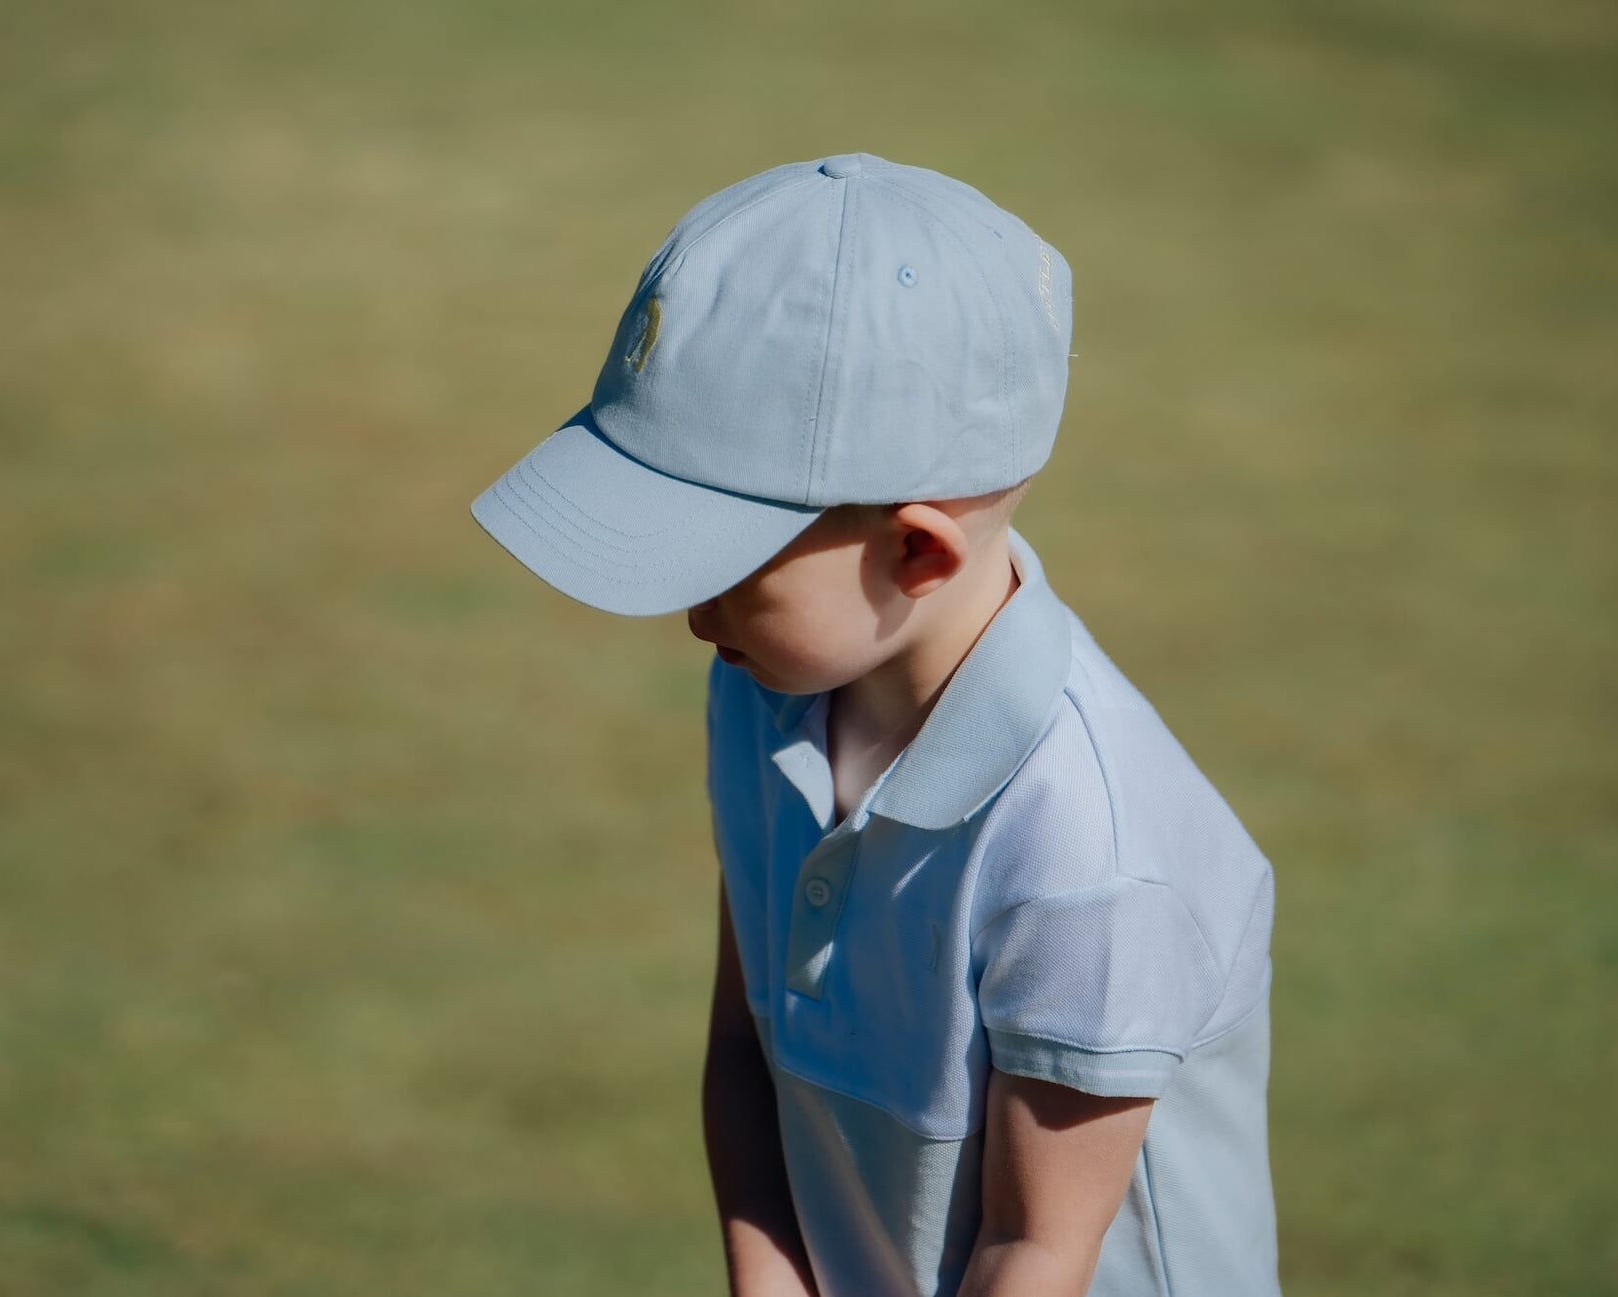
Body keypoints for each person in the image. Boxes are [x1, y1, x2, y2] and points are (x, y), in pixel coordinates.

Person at [470, 152, 1279, 1297]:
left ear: (916, 551)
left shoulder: (1091, 866)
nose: (689, 613)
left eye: (722, 563)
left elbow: (1034, 1248)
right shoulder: (759, 696)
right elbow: (746, 1050)